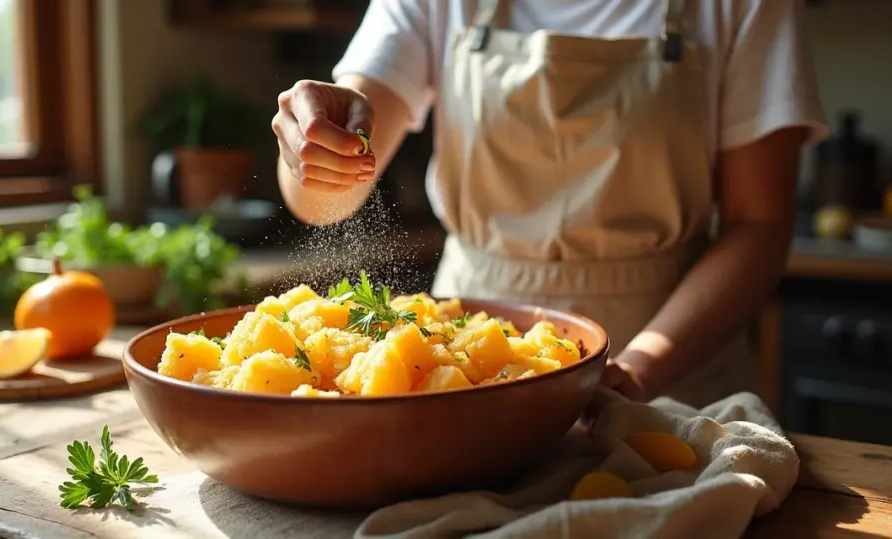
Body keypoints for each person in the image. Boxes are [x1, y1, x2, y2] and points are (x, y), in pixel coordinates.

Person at [270, 0, 829, 407]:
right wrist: (319, 147)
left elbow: (759, 224)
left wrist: (635, 372)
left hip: (674, 370)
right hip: (464, 369)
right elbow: (321, 205)